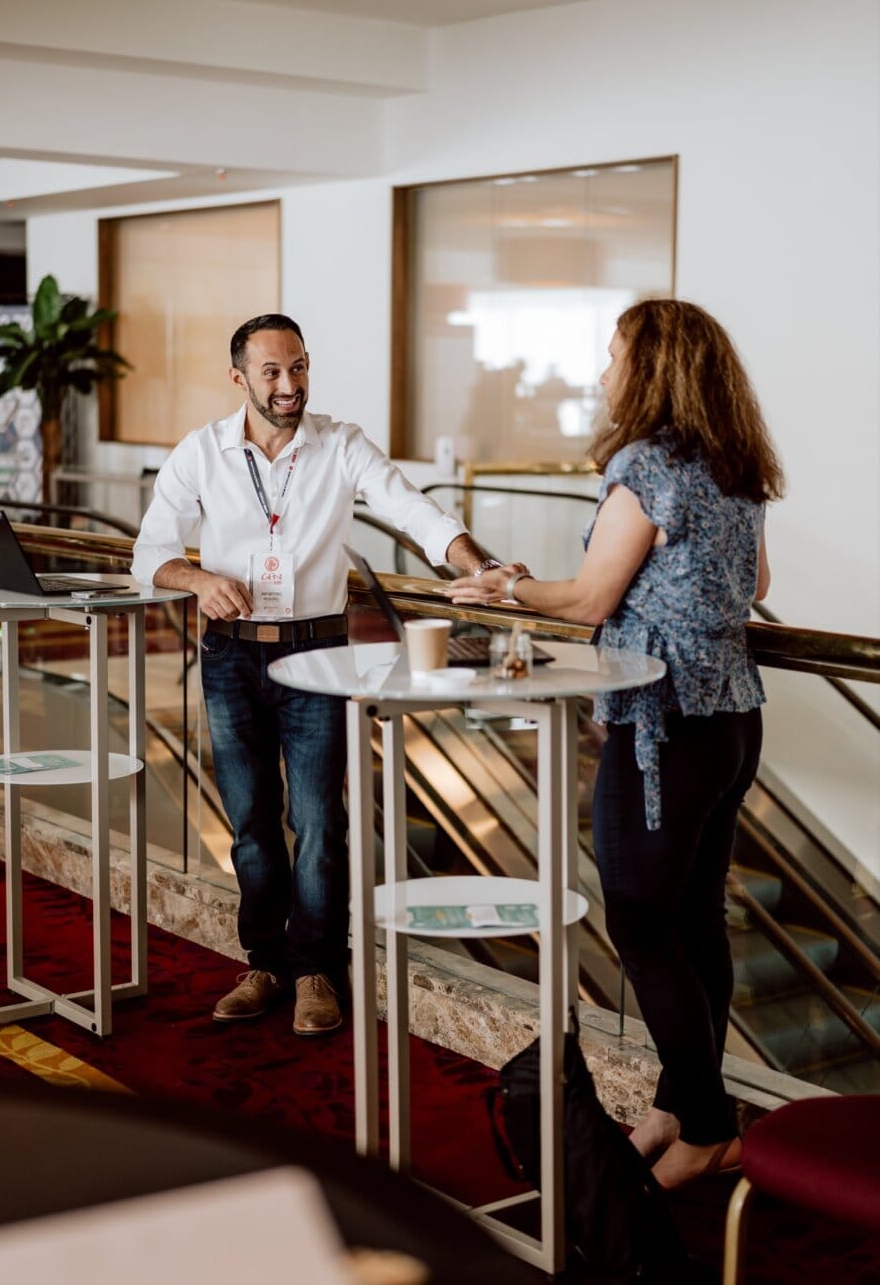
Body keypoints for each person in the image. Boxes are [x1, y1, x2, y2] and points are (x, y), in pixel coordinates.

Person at [446, 299, 784, 1190]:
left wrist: (508, 587)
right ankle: (682, 1103)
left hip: (661, 723)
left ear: (654, 368)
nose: (602, 374)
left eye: (613, 356)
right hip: (733, 718)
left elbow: (592, 600)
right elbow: (755, 584)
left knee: (638, 921)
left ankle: (708, 1127)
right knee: (696, 912)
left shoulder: (646, 463)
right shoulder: (735, 464)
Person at [132, 313, 495, 1037]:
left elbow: (412, 510)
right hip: (232, 654)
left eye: (298, 367)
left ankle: (317, 970)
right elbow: (148, 556)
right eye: (271, 372)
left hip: (319, 657)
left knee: (321, 823)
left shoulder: (341, 444)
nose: (289, 384)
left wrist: (477, 566)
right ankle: (265, 962)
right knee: (251, 826)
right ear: (239, 378)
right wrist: (197, 579)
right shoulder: (201, 453)